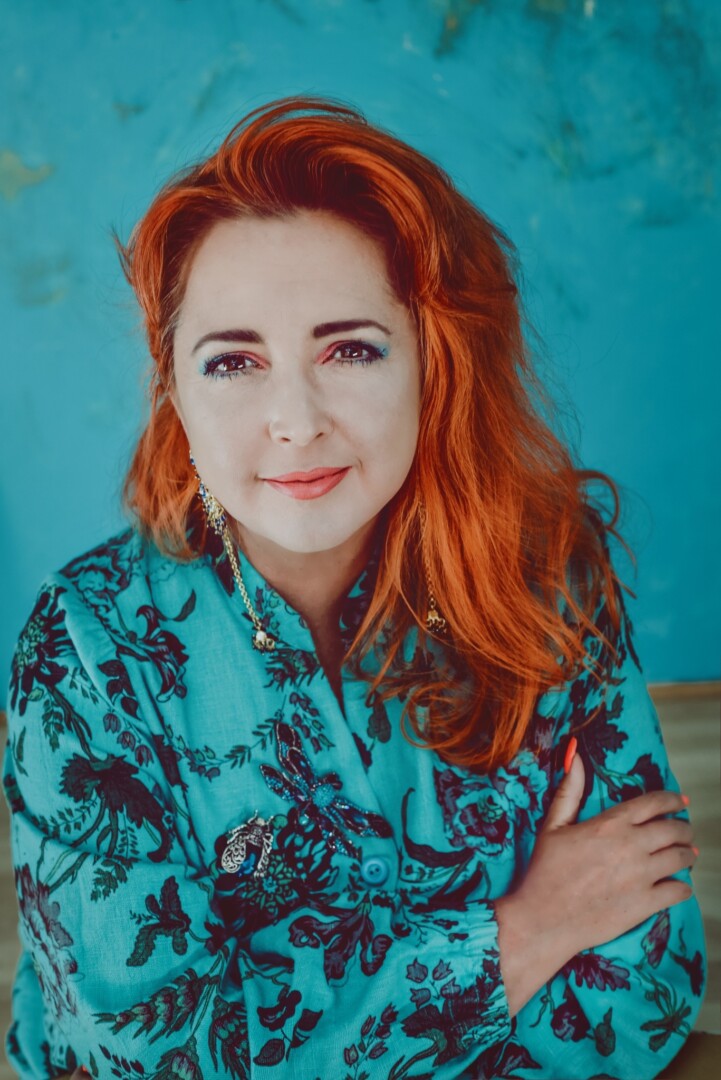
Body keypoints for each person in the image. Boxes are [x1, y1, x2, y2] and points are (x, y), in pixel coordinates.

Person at [3, 95, 706, 1080]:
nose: (295, 420)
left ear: (431, 363)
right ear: (176, 395)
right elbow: (150, 1057)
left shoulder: (550, 579)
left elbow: (642, 992)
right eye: (233, 362)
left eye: (349, 349)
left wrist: (325, 1026)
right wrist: (522, 934)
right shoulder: (85, 649)